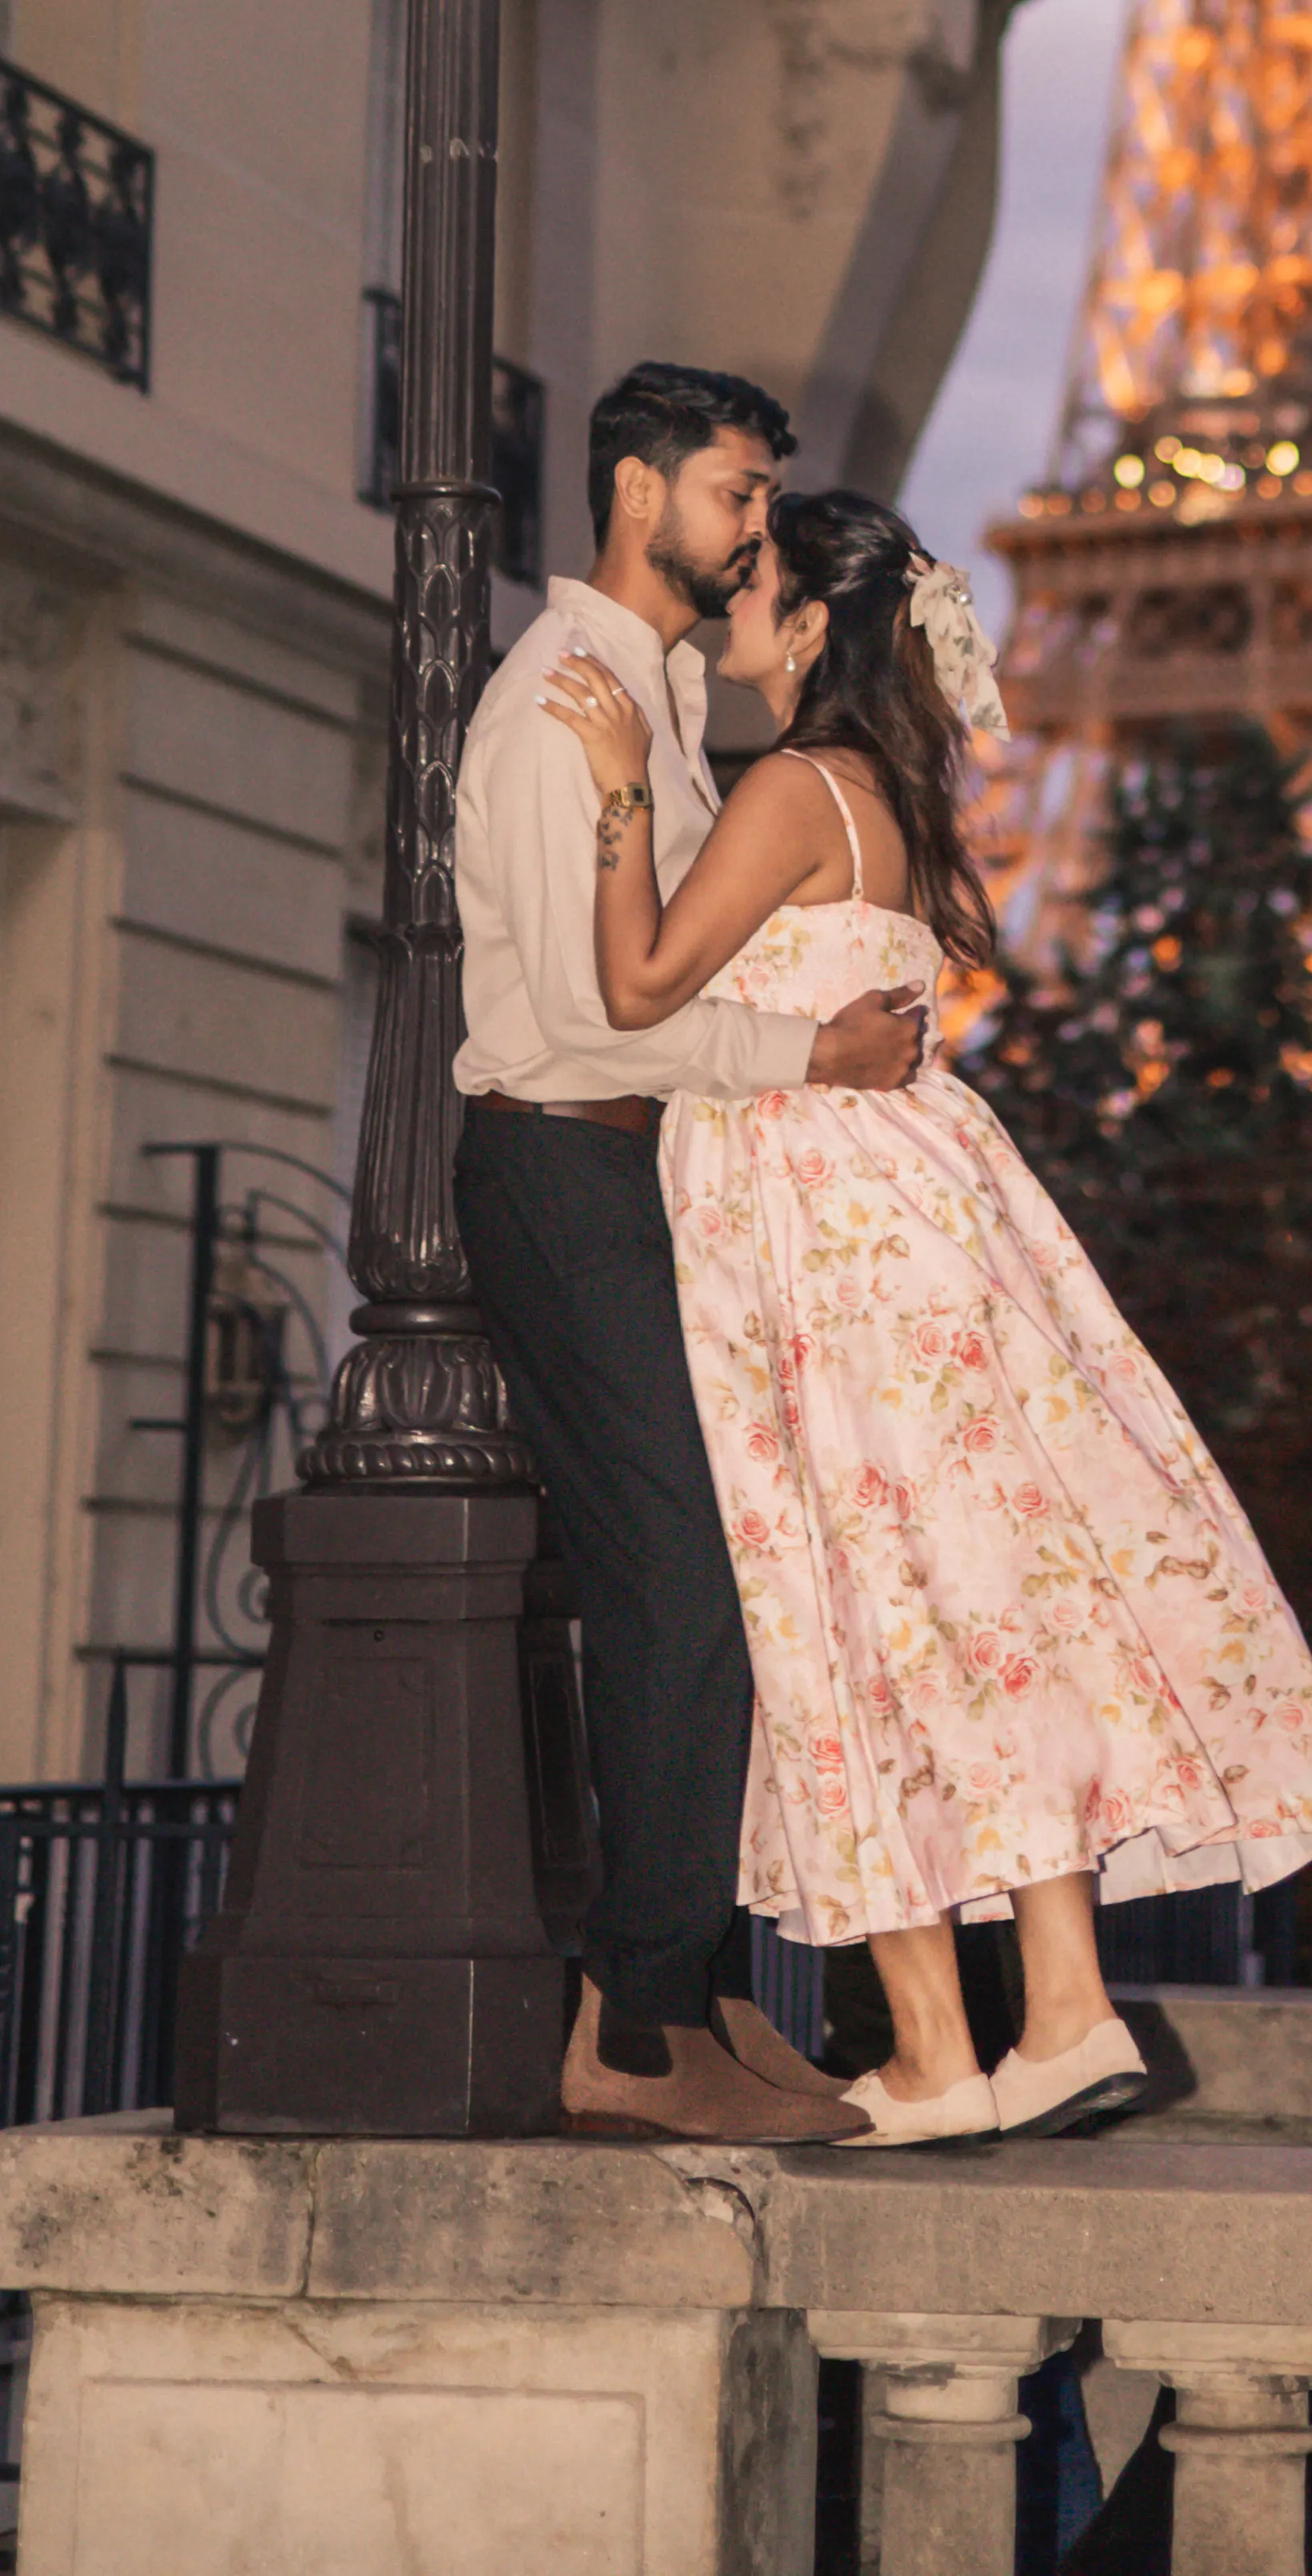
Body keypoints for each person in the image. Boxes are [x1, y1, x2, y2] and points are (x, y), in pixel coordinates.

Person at [545, 484, 1312, 2146]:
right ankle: (1052, 2012)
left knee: (852, 1609)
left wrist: (622, 793)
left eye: (750, 584)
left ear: (816, 624)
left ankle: (940, 2041)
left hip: (819, 1236)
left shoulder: (789, 789)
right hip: (916, 1213)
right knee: (970, 1601)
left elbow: (635, 991)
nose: (723, 608)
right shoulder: (890, 792)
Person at [451, 360, 928, 2153]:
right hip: (563, 1170)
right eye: (737, 497)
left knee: (713, 1579)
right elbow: (585, 1022)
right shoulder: (543, 709)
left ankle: (694, 1991)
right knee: (683, 1586)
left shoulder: (646, 695)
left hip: (637, 1180)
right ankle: (633, 2031)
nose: (755, 543)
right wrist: (808, 1056)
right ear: (641, 495)